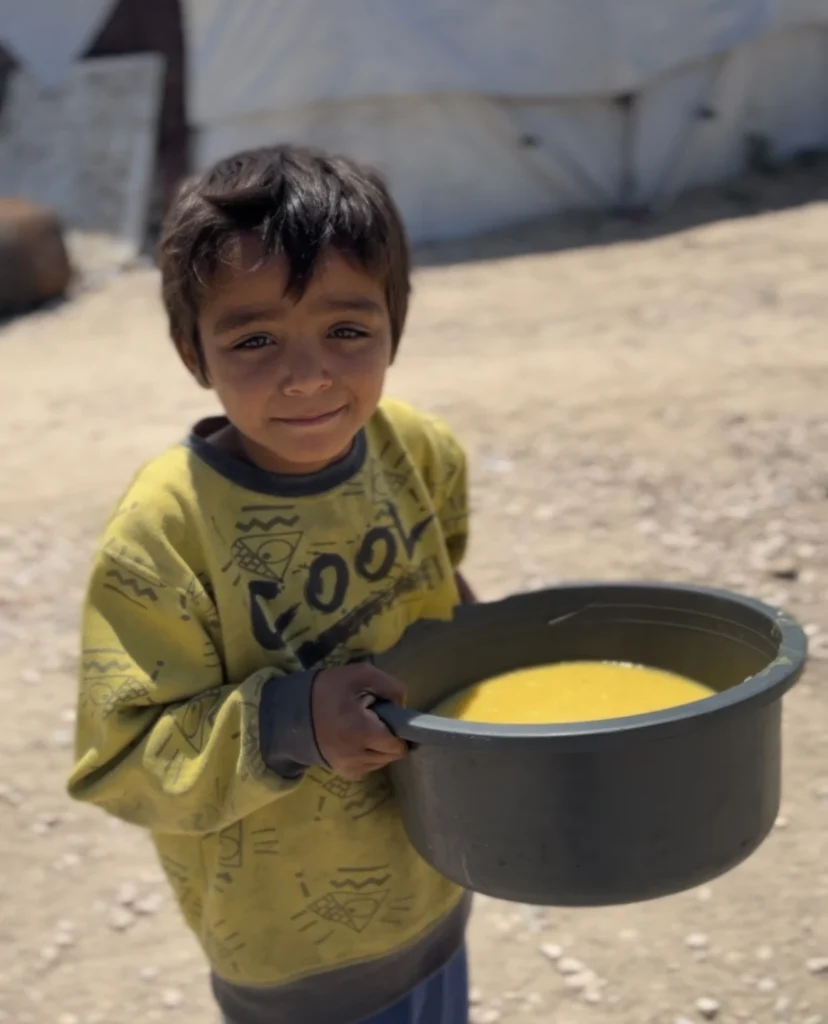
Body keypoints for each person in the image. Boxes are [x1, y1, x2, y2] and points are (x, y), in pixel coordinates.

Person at [67, 144, 474, 1024]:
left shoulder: (418, 450)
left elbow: (448, 577)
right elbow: (124, 764)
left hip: (438, 878)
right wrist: (292, 723)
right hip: (295, 954)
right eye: (254, 339)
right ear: (192, 351)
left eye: (347, 331)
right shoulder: (165, 535)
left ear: (393, 328)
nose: (307, 375)